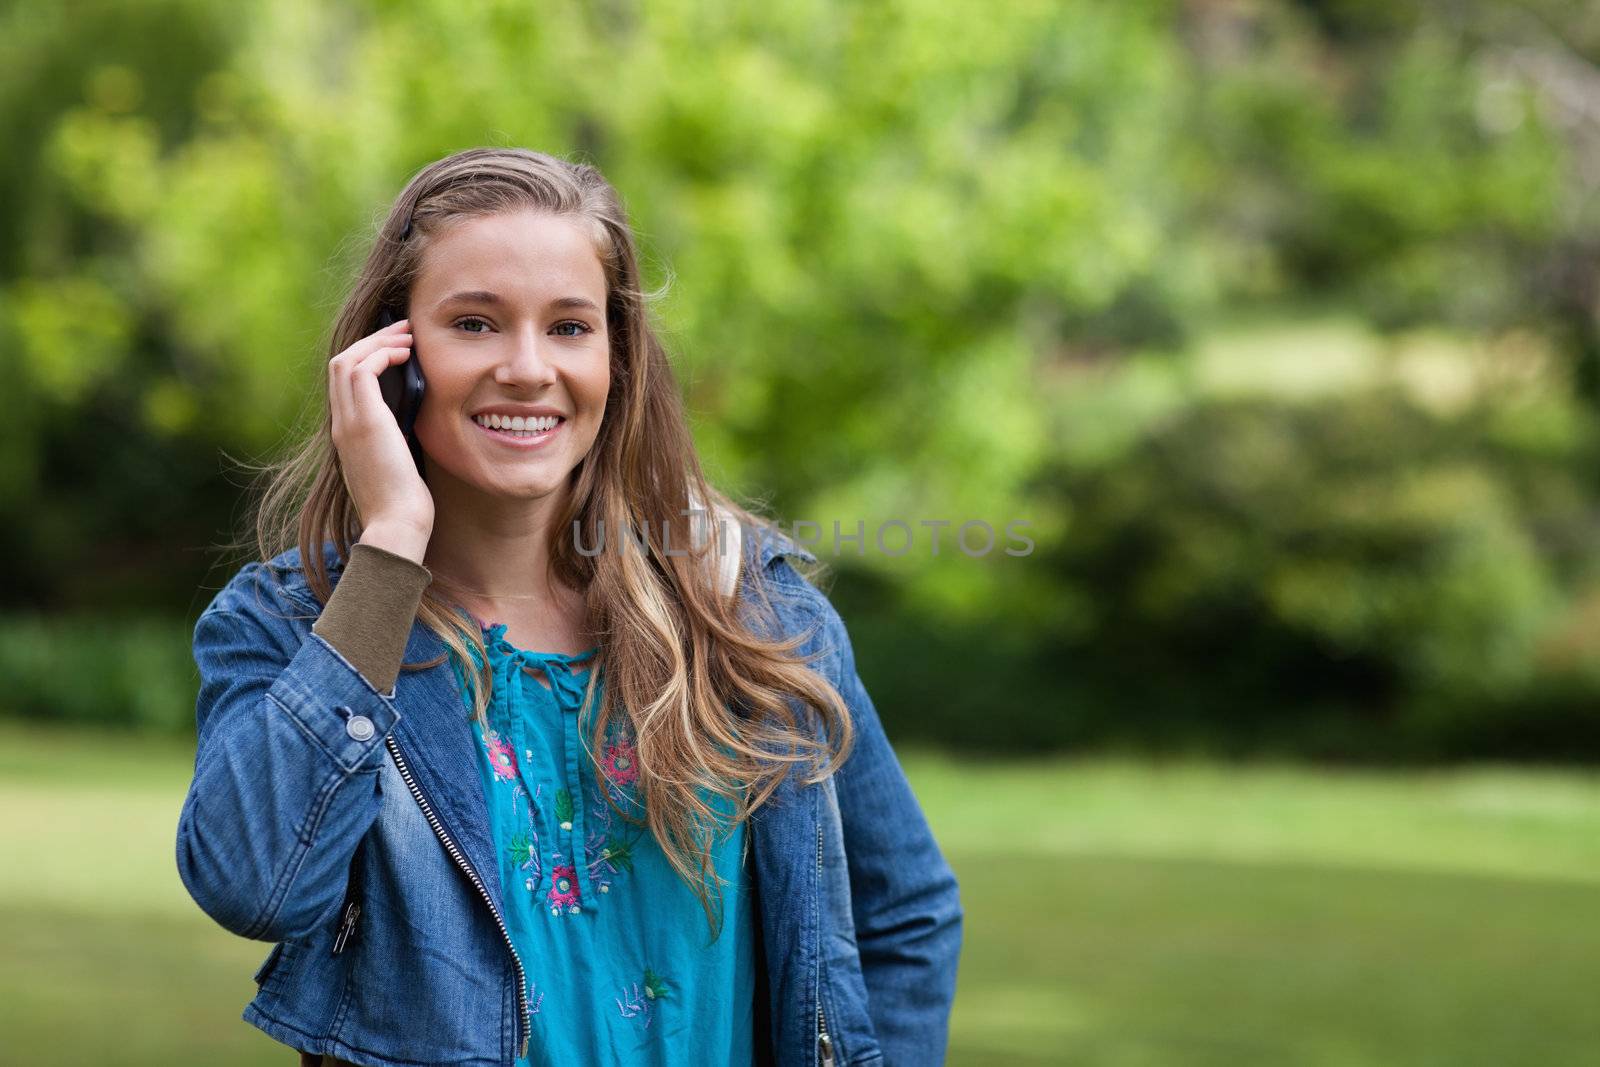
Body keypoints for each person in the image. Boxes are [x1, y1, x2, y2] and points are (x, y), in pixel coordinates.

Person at [176, 146, 962, 1067]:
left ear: (616, 358)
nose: (525, 367)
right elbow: (255, 888)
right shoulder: (290, 627)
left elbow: (905, 909)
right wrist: (389, 548)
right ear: (395, 357)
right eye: (474, 323)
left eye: (569, 327)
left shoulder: (748, 609)